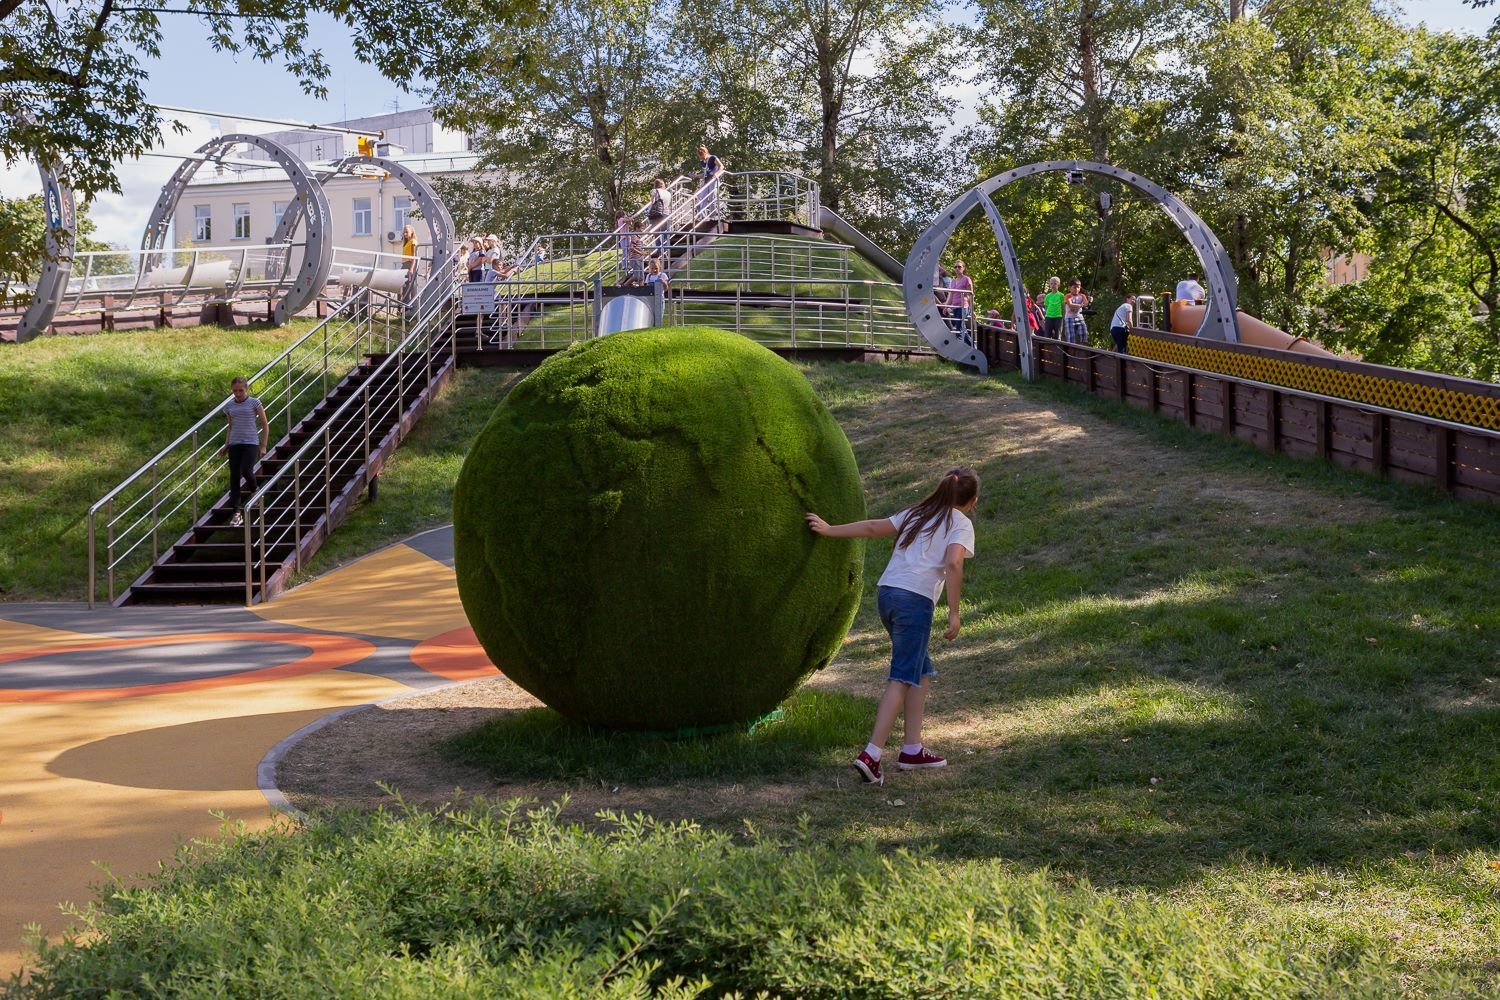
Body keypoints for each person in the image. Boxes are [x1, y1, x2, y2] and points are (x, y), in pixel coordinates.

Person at [805, 466, 980, 786]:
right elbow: (954, 563)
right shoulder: (961, 523)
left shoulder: (917, 512)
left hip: (887, 596)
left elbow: (873, 527)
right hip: (914, 603)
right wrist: (954, 613)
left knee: (919, 670)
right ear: (972, 501)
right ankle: (871, 755)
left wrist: (830, 530)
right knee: (902, 675)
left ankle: (912, 749)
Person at [219, 376, 270, 528]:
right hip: (235, 444)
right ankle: (236, 513)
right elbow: (230, 427)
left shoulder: (255, 403)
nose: (238, 393)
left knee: (246, 470)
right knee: (234, 476)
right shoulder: (229, 406)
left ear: (246, 389)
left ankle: (255, 491)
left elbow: (264, 425)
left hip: (250, 443)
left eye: (241, 390)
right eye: (235, 391)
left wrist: (263, 446)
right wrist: (226, 445)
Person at [695, 144, 725, 219]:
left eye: (702, 156)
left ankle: (713, 216)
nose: (701, 158)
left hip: (713, 180)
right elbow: (704, 173)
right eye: (700, 156)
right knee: (703, 197)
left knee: (712, 197)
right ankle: (703, 216)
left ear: (705, 153)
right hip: (706, 181)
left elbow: (721, 166)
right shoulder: (703, 162)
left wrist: (716, 174)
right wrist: (696, 175)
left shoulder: (713, 157)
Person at [948, 260, 974, 343]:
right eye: (955, 267)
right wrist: (946, 306)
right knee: (962, 329)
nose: (957, 268)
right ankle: (974, 348)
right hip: (955, 307)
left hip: (963, 307)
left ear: (963, 268)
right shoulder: (953, 281)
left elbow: (970, 295)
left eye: (959, 267)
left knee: (959, 329)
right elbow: (950, 295)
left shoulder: (967, 279)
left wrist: (972, 310)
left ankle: (958, 350)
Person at [1064, 279, 1092, 345]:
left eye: (1078, 287)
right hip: (1069, 318)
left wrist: (1089, 301)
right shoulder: (1068, 296)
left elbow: (1086, 304)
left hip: (1080, 318)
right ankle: (1071, 350)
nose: (1076, 289)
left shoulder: (1082, 296)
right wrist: (1080, 305)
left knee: (1084, 333)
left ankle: (1083, 349)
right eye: (1074, 287)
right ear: (1070, 288)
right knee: (1071, 336)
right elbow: (1070, 305)